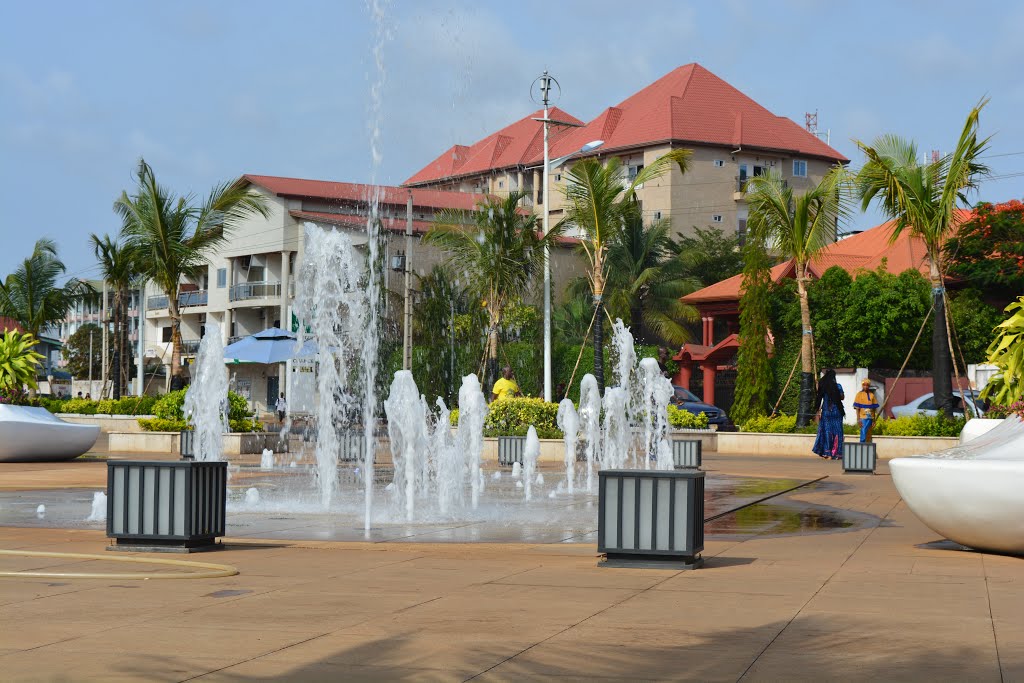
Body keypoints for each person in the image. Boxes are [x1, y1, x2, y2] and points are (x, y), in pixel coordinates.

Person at [811, 369, 845, 460]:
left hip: (826, 412)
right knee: (838, 432)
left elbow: (818, 399)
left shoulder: (823, 386)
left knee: (827, 432)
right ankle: (837, 454)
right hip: (837, 412)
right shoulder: (838, 386)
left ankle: (827, 453)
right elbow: (842, 397)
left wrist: (816, 411)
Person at [853, 379, 879, 443]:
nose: (865, 387)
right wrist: (858, 419)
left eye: (867, 385)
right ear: (862, 386)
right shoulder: (859, 394)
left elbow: (874, 409)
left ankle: (867, 450)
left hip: (870, 418)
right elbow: (857, 408)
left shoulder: (872, 395)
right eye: (864, 385)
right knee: (863, 432)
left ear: (869, 386)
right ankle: (862, 447)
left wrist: (874, 420)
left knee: (868, 434)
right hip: (862, 417)